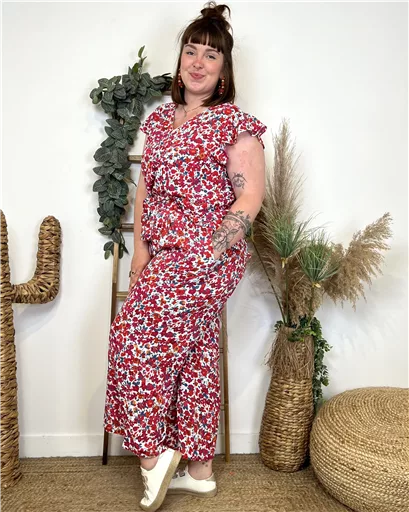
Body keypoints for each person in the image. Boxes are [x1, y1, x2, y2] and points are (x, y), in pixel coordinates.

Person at [103, 2, 267, 511]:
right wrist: (140, 255)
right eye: (191, 51)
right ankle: (198, 470)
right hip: (163, 253)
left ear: (224, 71)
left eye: (210, 55)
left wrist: (207, 253)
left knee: (133, 341)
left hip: (205, 255)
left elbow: (249, 196)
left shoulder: (234, 124)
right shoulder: (159, 122)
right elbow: (146, 190)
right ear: (179, 61)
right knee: (195, 353)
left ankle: (151, 459)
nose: (198, 62)